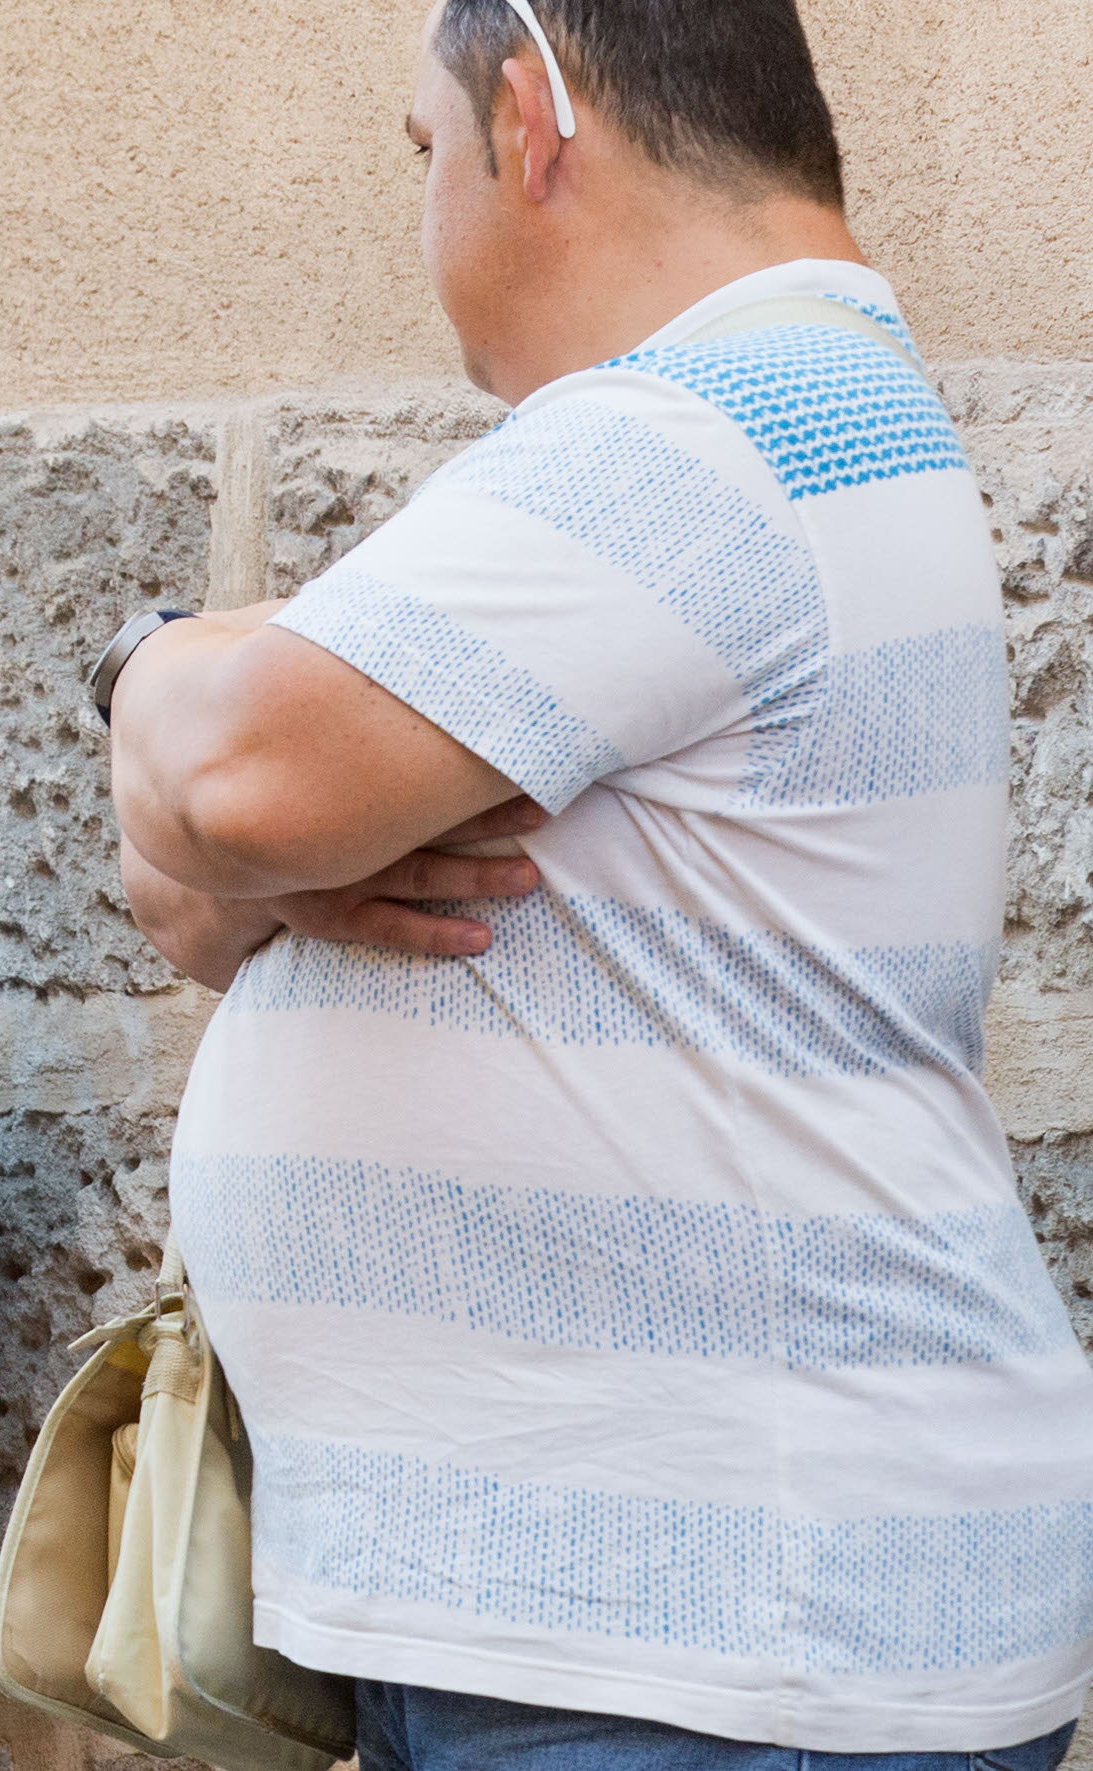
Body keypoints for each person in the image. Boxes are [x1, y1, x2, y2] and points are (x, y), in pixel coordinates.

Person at [103, 1, 1093, 1766]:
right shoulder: (768, 421)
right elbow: (189, 896)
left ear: (529, 112)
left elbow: (233, 785)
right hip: (621, 1638)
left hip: (716, 1660)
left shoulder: (702, 434)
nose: (424, 228)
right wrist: (237, 801)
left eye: (427, 157)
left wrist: (156, 661)